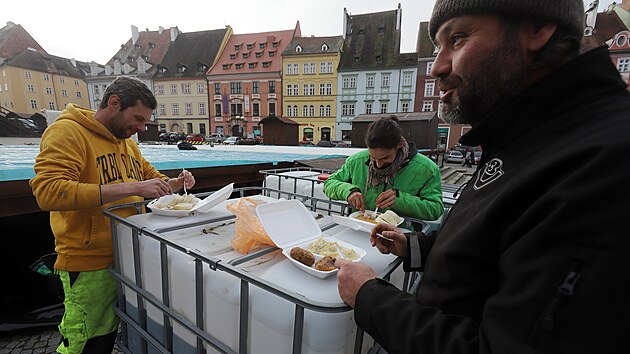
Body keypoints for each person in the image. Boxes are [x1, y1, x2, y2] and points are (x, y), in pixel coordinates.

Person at [335, 0, 630, 353]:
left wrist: (371, 299)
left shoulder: (604, 161)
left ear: (537, 29)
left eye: (458, 39)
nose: (437, 67)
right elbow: (490, 254)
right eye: (437, 46)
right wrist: (415, 246)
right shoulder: (525, 139)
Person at [30, 76, 195, 354]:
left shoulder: (127, 142)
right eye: (138, 119)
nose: (142, 127)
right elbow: (49, 191)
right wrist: (132, 188)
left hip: (129, 253)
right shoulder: (68, 132)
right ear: (114, 103)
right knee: (84, 340)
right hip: (88, 262)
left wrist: (175, 183)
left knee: (109, 336)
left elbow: (148, 176)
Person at [323, 116, 443, 221]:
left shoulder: (427, 169)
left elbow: (435, 209)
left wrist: (400, 200)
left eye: (385, 158)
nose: (378, 165)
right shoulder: (356, 161)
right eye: (372, 157)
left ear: (399, 144)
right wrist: (348, 191)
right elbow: (329, 183)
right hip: (358, 229)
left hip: (398, 237)